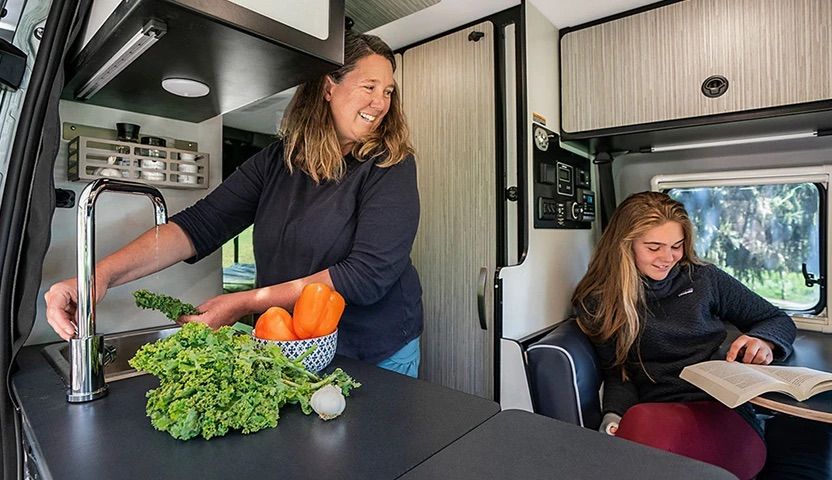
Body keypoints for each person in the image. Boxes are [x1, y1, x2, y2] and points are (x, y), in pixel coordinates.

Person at [44, 31, 423, 377]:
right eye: (370, 87)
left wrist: (243, 302)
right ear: (328, 87)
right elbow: (200, 225)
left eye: (388, 91)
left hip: (373, 348)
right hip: (289, 345)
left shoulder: (389, 165)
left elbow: (366, 275)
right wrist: (99, 276)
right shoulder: (276, 162)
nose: (381, 103)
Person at [572, 191, 796, 480]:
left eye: (676, 246)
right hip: (656, 411)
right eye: (654, 247)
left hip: (723, 407)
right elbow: (619, 372)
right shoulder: (599, 302)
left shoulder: (704, 279)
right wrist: (613, 415)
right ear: (624, 245)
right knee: (640, 429)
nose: (668, 258)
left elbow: (776, 318)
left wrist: (764, 340)